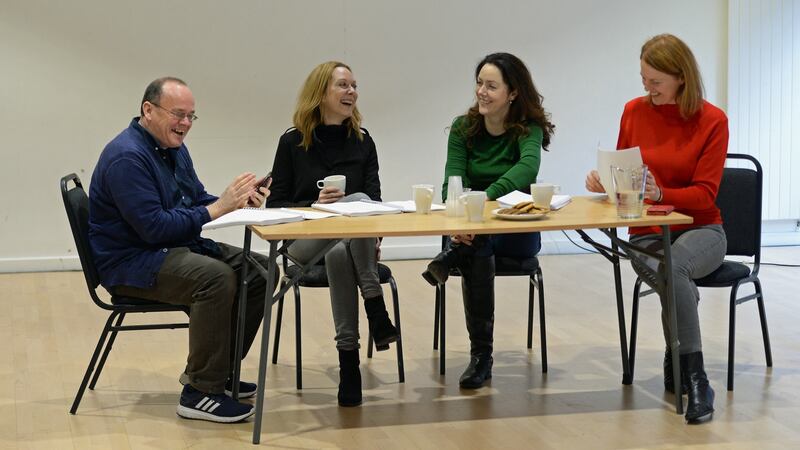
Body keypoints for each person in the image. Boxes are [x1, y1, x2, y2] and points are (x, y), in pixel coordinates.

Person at [89, 77, 272, 423]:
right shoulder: (127, 158)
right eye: (178, 114)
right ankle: (200, 392)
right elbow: (155, 227)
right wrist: (218, 208)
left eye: (191, 116)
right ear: (148, 110)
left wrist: (237, 203)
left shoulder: (171, 148)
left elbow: (194, 200)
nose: (186, 124)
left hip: (166, 247)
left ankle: (218, 372)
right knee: (215, 278)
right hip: (132, 262)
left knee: (261, 272)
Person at [585, 34, 728, 423]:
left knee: (674, 267)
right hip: (647, 231)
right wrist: (604, 183)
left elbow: (705, 196)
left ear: (681, 77)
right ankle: (686, 365)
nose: (647, 89)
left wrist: (664, 191)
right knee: (672, 271)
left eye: (655, 82)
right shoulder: (633, 111)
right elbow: (623, 177)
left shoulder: (713, 120)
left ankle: (695, 376)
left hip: (703, 231)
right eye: (644, 80)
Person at [266, 61, 399, 407]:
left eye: (354, 86)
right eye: (343, 85)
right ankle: (375, 305)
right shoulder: (291, 142)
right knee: (358, 200)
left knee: (344, 248)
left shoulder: (363, 142)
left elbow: (377, 205)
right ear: (320, 93)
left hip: (348, 245)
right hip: (303, 242)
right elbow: (275, 205)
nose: (351, 92)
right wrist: (314, 204)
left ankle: (349, 366)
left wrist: (374, 240)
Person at [421, 52, 555, 389]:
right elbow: (452, 181)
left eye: (491, 86)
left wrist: (485, 198)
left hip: (515, 229)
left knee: (475, 241)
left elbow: (527, 169)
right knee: (478, 242)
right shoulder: (463, 128)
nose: (481, 91)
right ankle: (482, 356)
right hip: (470, 227)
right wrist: (471, 212)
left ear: (512, 93)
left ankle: (452, 258)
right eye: (479, 83)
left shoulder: (529, 129)